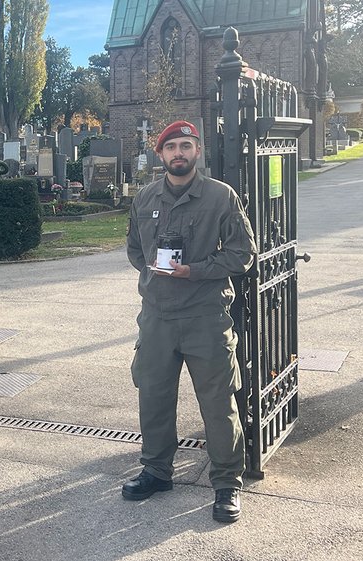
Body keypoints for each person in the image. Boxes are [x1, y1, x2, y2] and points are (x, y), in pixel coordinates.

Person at [124, 121, 257, 523]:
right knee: (153, 396)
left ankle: (227, 482)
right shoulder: (146, 197)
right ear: (161, 154)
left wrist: (194, 271)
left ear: (197, 152)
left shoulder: (220, 196)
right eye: (171, 147)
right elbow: (135, 248)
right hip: (157, 317)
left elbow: (242, 254)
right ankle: (156, 471)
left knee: (218, 403)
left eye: (186, 146)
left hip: (205, 316)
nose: (178, 153)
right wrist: (155, 277)